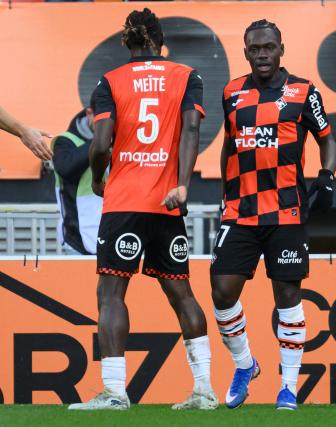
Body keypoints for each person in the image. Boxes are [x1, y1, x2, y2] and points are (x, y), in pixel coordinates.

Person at [68, 8, 216, 410]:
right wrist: (182, 184)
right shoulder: (188, 76)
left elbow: (100, 146)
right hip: (168, 201)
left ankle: (116, 392)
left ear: (125, 42)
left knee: (111, 294)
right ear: (160, 40)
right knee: (182, 294)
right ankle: (204, 388)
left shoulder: (110, 82)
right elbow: (191, 129)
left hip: (124, 203)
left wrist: (100, 178)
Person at [211, 19, 336, 411]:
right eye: (254, 48)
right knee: (221, 291)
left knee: (287, 296)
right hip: (241, 211)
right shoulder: (232, 92)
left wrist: (328, 176)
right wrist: (224, 195)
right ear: (246, 51)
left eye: (268, 47)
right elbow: (229, 147)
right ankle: (246, 365)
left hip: (286, 212)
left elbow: (327, 139)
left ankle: (289, 388)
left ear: (281, 48)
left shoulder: (303, 91)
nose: (262, 54)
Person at [51, 95, 103, 255]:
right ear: (89, 113)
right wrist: (100, 141)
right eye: (102, 119)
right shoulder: (65, 141)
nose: (107, 124)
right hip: (77, 240)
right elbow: (66, 169)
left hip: (112, 237)